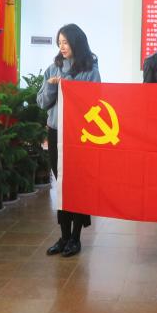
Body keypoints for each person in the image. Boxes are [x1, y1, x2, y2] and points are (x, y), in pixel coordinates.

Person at [37, 23, 101, 258]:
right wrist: (53, 87)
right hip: (56, 132)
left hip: (79, 134)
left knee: (78, 185)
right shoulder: (53, 68)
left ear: (77, 42)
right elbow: (42, 102)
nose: (62, 47)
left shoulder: (90, 69)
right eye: (59, 43)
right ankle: (63, 236)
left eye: (66, 42)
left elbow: (94, 100)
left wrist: (68, 86)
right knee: (62, 184)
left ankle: (76, 237)